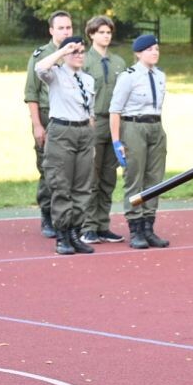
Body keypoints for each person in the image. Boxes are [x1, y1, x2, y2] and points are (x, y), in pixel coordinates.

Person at [34, 36, 96, 255]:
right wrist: (62, 51)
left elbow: (90, 112)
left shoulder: (88, 80)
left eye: (81, 51)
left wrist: (91, 139)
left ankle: (74, 233)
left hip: (84, 132)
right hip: (62, 131)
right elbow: (39, 67)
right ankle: (62, 236)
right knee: (61, 185)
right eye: (74, 51)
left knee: (83, 186)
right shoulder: (56, 74)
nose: (79, 55)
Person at [109, 34, 170, 249]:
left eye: (156, 49)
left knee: (155, 179)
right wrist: (117, 142)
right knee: (134, 178)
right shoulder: (128, 76)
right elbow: (115, 110)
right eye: (149, 49)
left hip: (155, 127)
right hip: (134, 127)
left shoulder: (160, 76)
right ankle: (135, 228)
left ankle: (148, 227)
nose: (154, 52)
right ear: (138, 53)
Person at [25, 11, 74, 238]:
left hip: (72, 118)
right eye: (61, 28)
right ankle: (47, 214)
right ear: (51, 30)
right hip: (48, 116)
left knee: (71, 170)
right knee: (48, 169)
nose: (65, 32)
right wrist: (37, 125)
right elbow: (31, 93)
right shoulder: (41, 55)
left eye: (68, 27)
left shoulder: (77, 52)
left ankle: (68, 216)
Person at [80, 15, 127, 245]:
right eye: (101, 32)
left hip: (114, 123)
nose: (106, 36)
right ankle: (88, 226)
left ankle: (102, 225)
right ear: (91, 34)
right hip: (93, 121)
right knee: (92, 177)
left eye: (108, 32)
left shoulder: (118, 62)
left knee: (108, 177)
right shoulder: (84, 61)